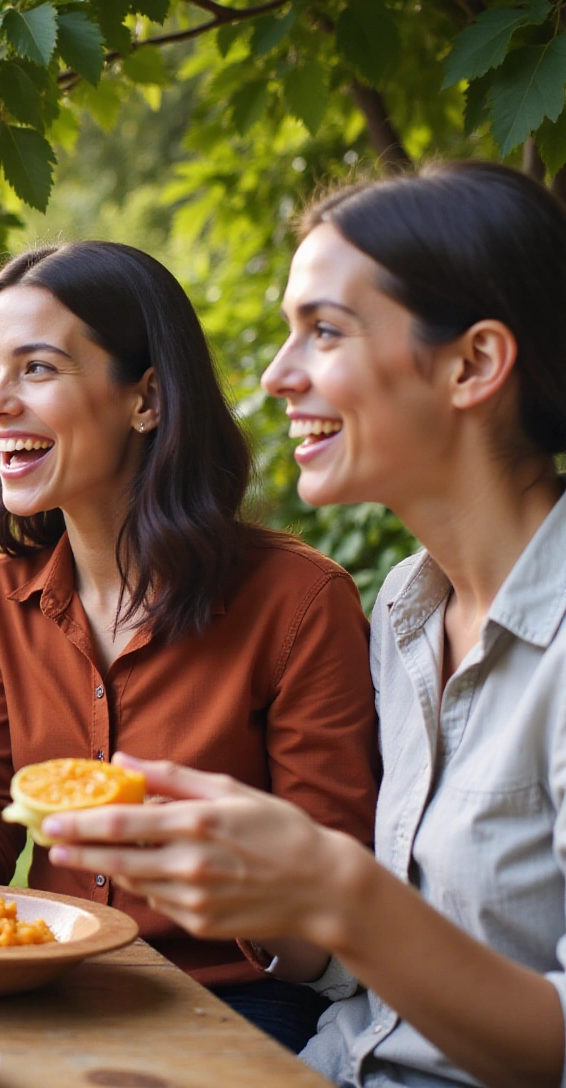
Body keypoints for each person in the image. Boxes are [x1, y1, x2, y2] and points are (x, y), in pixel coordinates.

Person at [43, 163, 566, 1087]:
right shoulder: (410, 606)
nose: (279, 376)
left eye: (323, 332)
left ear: (474, 363)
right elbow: (365, 992)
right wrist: (257, 894)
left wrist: (338, 888)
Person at [0, 242, 379, 1051]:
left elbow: (334, 927)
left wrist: (214, 868)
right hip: (50, 985)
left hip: (240, 1008)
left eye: (37, 369)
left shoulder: (300, 603)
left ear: (147, 399)